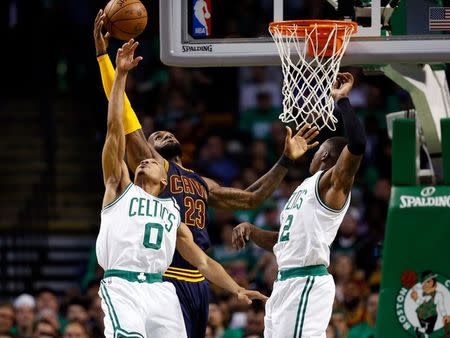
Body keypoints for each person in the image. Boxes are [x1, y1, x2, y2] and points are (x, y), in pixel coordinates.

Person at [93, 11, 319, 338]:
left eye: (168, 134)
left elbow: (251, 197)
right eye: (156, 137)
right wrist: (106, 60)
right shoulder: (151, 165)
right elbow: (121, 117)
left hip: (198, 279)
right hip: (162, 275)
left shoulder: (201, 183)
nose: (163, 135)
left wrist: (285, 159)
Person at [96, 39, 267, 338]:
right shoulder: (119, 188)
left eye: (151, 161)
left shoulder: (171, 209)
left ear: (164, 181)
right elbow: (115, 129)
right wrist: (120, 75)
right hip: (123, 284)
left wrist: (235, 288)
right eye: (143, 159)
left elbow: (201, 260)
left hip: (160, 290)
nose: (144, 162)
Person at [232, 72, 367, 338]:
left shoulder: (331, 183)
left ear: (325, 155)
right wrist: (252, 230)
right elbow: (286, 241)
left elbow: (358, 145)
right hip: (285, 282)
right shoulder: (304, 188)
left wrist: (342, 101)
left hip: (306, 280)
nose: (312, 154)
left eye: (317, 151)